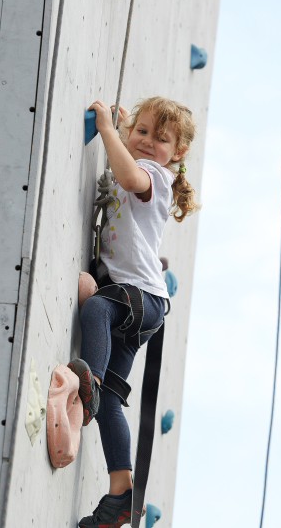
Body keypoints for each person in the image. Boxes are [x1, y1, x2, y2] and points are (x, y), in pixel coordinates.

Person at [68, 96, 198, 528]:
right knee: (110, 408)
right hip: (140, 304)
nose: (146, 143)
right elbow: (129, 157)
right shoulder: (145, 160)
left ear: (176, 154)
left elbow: (127, 173)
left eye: (160, 139)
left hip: (139, 297)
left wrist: (108, 129)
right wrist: (125, 130)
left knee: (98, 309)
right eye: (141, 132)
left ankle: (91, 385)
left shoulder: (157, 178)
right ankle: (120, 493)